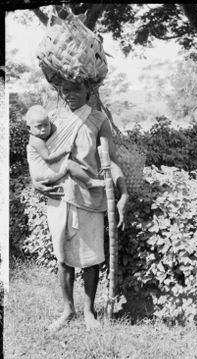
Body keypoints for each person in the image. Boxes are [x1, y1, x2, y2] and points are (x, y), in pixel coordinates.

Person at [32, 80, 129, 332]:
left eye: (76, 89)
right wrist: (36, 181)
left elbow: (113, 160)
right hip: (59, 195)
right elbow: (36, 150)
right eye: (66, 90)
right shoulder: (53, 120)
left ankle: (88, 311)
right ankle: (67, 310)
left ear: (89, 90)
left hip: (89, 196)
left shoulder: (98, 119)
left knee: (91, 259)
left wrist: (123, 193)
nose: (70, 94)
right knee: (63, 258)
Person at [26, 104, 105, 189]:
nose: (43, 129)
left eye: (46, 125)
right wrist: (64, 150)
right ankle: (90, 182)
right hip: (42, 173)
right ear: (29, 129)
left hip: (39, 173)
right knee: (69, 164)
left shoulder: (38, 136)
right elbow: (48, 158)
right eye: (39, 126)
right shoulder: (37, 141)